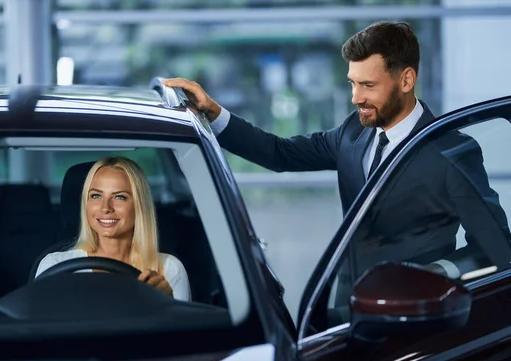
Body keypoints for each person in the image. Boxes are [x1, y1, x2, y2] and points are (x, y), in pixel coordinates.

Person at [163, 21, 511, 282]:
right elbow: (279, 153)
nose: (356, 97)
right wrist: (214, 113)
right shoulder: (352, 130)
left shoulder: (452, 153)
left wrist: (437, 274)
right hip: (343, 306)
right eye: (353, 83)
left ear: (406, 80)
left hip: (417, 321)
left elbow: (496, 247)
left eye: (368, 85)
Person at [35, 156, 191, 302]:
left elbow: (184, 331)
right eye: (96, 196)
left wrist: (166, 303)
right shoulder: (54, 266)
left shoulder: (169, 269)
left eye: (119, 197)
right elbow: (38, 328)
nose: (105, 208)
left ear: (139, 205)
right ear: (85, 204)